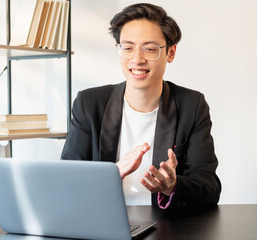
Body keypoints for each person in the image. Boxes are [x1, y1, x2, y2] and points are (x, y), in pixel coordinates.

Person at [61, 3, 221, 209]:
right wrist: (111, 176)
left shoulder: (192, 105)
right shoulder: (89, 104)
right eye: (127, 48)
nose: (137, 59)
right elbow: (66, 182)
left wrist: (173, 185)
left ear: (170, 53)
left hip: (166, 226)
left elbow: (210, 188)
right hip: (102, 220)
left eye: (150, 49)